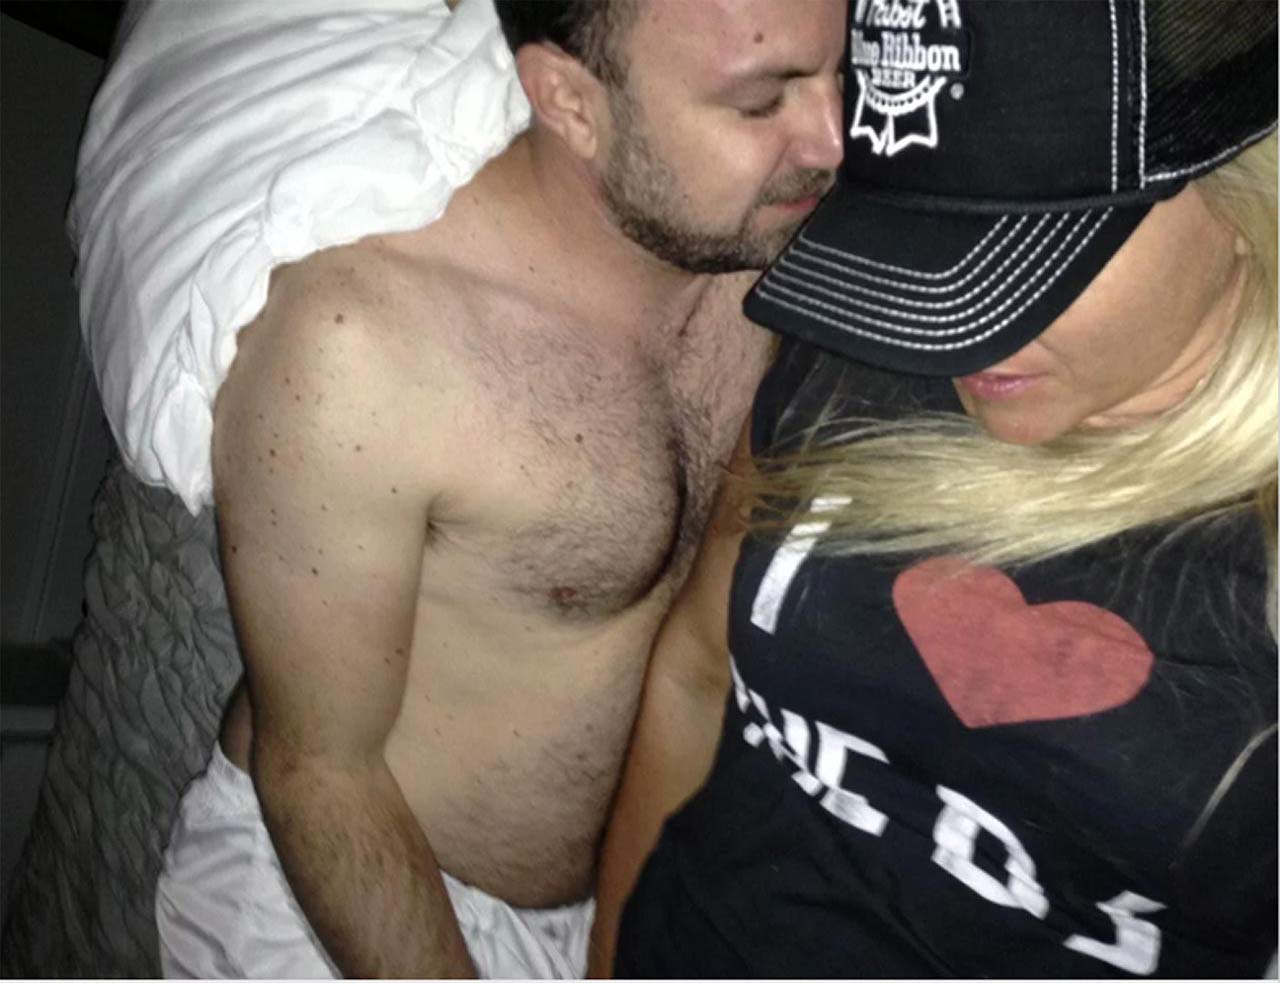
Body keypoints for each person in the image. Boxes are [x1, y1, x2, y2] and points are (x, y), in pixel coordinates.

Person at [153, 0, 844, 978]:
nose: (831, 140)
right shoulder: (361, 350)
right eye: (760, 102)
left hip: (610, 901)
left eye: (836, 72)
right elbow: (319, 773)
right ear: (570, 102)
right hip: (341, 896)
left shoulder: (762, 258)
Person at [593, 0, 1278, 976]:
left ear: (1245, 197)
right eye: (912, 230)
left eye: (1028, 243)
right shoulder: (864, 345)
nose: (943, 330)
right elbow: (699, 668)